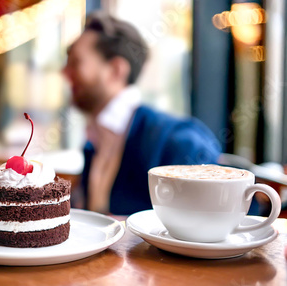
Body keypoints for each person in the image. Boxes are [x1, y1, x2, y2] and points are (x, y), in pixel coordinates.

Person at [62, 12, 221, 215]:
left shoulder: (178, 140)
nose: (64, 73)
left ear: (116, 70)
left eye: (75, 63)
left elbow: (230, 215)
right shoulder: (93, 144)